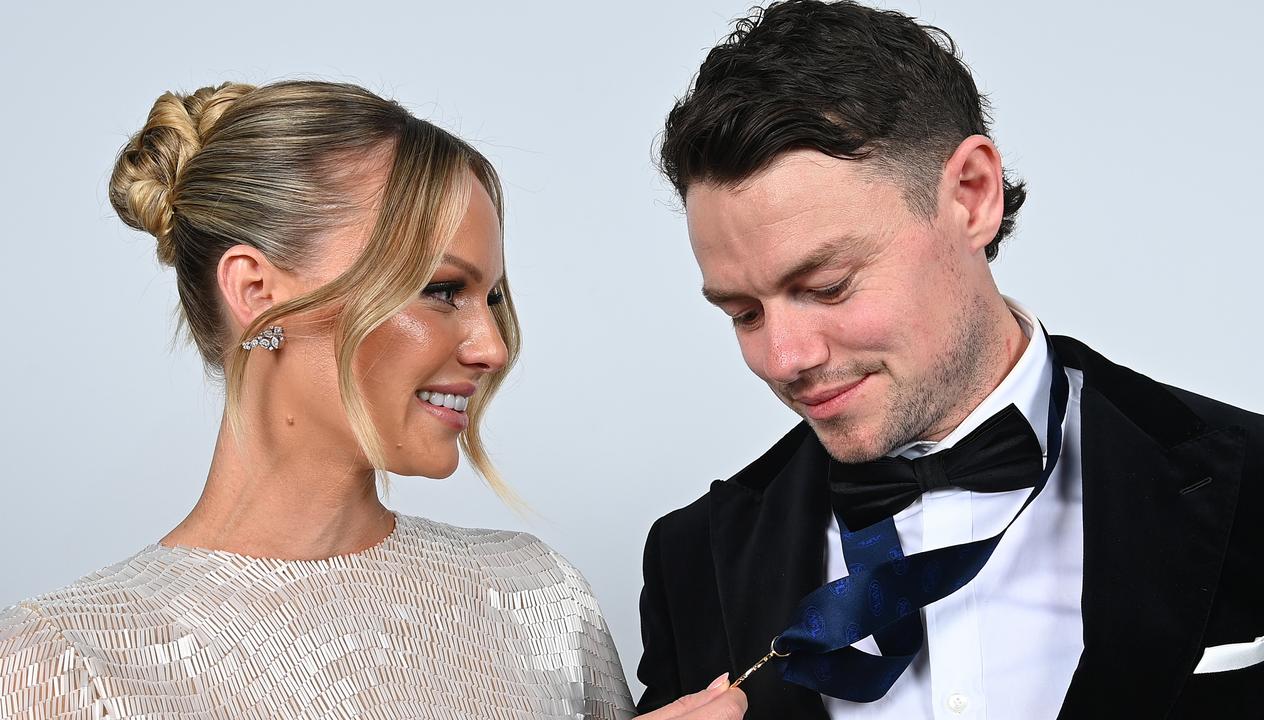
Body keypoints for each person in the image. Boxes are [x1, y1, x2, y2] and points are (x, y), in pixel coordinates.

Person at [0, 80, 746, 720]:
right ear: (257, 293)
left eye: (492, 297)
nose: (492, 346)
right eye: (441, 289)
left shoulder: (539, 602)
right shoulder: (69, 664)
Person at [635, 2, 1264, 719]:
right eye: (743, 314)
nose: (784, 358)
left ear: (973, 196)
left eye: (827, 286)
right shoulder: (690, 561)